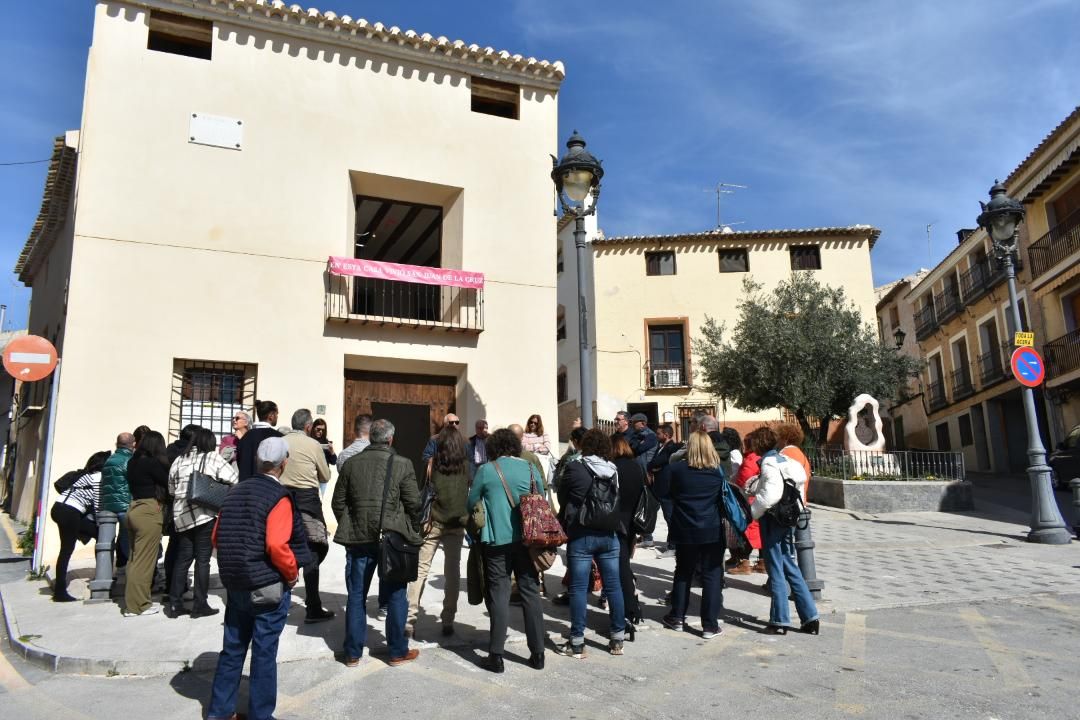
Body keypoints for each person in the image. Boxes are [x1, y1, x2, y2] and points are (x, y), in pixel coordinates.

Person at [207, 437, 311, 720]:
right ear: (284, 463)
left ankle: (219, 711)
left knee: (232, 648)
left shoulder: (234, 492)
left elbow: (217, 537)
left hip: (236, 581)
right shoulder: (278, 497)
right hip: (266, 584)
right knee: (264, 652)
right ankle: (260, 715)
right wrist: (290, 575)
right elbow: (277, 545)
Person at [332, 419, 421, 667]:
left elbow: (338, 503)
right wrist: (411, 529)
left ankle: (352, 653)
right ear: (390, 439)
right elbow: (414, 503)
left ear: (371, 437)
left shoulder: (351, 464)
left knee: (356, 594)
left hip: (359, 538)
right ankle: (396, 651)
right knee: (395, 594)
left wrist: (350, 522)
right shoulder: (403, 464)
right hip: (391, 538)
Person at [466, 428, 546, 673]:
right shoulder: (530, 467)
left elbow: (471, 502)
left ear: (493, 448)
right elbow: (541, 496)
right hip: (528, 540)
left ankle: (496, 655)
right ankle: (538, 653)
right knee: (530, 592)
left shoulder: (487, 470)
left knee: (499, 595)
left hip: (496, 540)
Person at [556, 428, 625, 658]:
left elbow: (562, 496)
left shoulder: (575, 467)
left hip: (581, 533)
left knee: (577, 589)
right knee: (613, 586)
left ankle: (577, 642)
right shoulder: (613, 470)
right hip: (609, 534)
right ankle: (617, 639)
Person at [747, 427, 819, 636]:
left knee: (776, 568)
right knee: (789, 565)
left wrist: (752, 513)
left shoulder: (768, 463)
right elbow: (798, 482)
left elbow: (771, 494)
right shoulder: (787, 460)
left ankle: (780, 620)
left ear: (759, 444)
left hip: (773, 519)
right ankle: (810, 617)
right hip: (790, 518)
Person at [660, 430, 727, 639]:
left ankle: (677, 616)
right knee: (712, 575)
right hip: (711, 528)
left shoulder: (676, 469)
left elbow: (662, 492)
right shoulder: (717, 471)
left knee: (683, 571)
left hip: (684, 527)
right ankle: (709, 625)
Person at [167, 427, 238, 618]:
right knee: (203, 560)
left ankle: (175, 604)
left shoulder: (179, 459)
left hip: (181, 516)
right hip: (203, 514)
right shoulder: (211, 457)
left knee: (182, 560)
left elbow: (171, 489)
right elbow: (233, 478)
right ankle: (200, 604)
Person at [406, 426, 469, 638]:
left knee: (420, 570)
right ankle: (448, 620)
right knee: (452, 574)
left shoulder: (433, 465)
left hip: (432, 523)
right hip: (456, 523)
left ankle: (410, 619)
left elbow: (424, 488)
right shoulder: (466, 467)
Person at [281, 409, 334, 624]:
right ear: (308, 426)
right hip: (308, 503)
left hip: (282, 500)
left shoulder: (281, 441)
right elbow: (326, 475)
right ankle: (313, 607)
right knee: (314, 551)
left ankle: (280, 604)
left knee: (282, 549)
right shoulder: (313, 444)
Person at [50, 451, 110, 602]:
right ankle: (60, 591)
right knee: (67, 550)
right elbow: (97, 505)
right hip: (70, 512)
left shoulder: (87, 475)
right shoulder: (99, 478)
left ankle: (102, 573)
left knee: (93, 535)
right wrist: (100, 524)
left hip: (59, 508)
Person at [123, 430, 170, 616]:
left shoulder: (133, 461)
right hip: (148, 511)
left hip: (134, 507)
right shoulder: (151, 463)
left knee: (135, 559)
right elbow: (168, 482)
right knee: (144, 562)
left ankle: (134, 602)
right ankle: (138, 605)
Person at [609, 434, 645, 629]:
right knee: (624, 563)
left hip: (617, 521)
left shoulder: (613, 468)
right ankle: (629, 604)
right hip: (632, 520)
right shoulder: (636, 466)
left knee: (620, 566)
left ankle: (629, 608)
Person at [728, 428, 765, 575]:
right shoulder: (759, 458)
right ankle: (762, 562)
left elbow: (742, 482)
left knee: (745, 533)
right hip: (758, 502)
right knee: (759, 534)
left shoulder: (750, 460)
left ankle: (744, 563)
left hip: (748, 502)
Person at [99, 433, 135, 571]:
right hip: (125, 505)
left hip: (109, 505)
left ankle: (114, 567)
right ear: (132, 444)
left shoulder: (109, 460)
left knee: (110, 541)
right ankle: (127, 567)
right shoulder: (128, 460)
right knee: (128, 539)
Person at [236, 400, 284, 481]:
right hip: (268, 488)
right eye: (277, 414)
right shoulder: (278, 437)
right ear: (271, 415)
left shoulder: (245, 437)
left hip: (245, 487)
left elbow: (240, 462)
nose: (277, 417)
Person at [776, 423, 812, 501]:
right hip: (801, 500)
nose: (777, 441)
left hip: (789, 504)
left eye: (779, 438)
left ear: (785, 439)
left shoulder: (784, 454)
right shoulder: (801, 455)